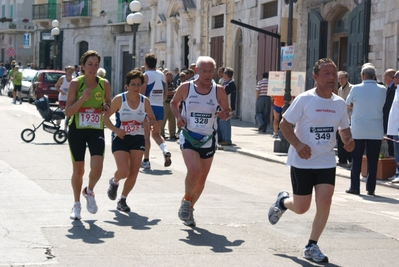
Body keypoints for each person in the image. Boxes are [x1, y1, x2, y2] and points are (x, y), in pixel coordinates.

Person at [268, 58, 354, 263]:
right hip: (302, 162)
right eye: (326, 73)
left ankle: (311, 245)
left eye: (333, 73)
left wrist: (348, 141)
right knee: (302, 207)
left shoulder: (339, 103)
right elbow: (284, 124)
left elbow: (344, 128)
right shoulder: (305, 100)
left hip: (325, 161)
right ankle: (283, 202)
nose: (331, 77)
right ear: (315, 77)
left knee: (324, 202)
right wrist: (298, 145)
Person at [170, 56, 232, 227]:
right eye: (204, 71)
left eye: (210, 71)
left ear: (214, 71)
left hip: (208, 138)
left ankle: (189, 206)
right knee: (194, 171)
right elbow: (174, 103)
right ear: (197, 71)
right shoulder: (186, 87)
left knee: (201, 180)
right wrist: (178, 117)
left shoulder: (218, 90)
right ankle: (186, 201)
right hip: (189, 135)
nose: (207, 74)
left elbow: (228, 111)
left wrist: (224, 114)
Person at [65, 50, 111, 220]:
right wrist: (82, 99)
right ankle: (76, 204)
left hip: (96, 129)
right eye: (90, 64)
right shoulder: (76, 84)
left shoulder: (104, 83)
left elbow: (108, 102)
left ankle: (89, 191)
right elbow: (68, 112)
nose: (93, 68)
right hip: (77, 129)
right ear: (83, 66)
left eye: (96, 65)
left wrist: (106, 107)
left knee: (97, 168)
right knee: (79, 170)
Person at [104, 70, 155, 212]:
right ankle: (114, 182)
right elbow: (106, 118)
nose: (136, 87)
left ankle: (123, 199)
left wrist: (148, 123)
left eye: (139, 84)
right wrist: (116, 130)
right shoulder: (120, 99)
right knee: (124, 171)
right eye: (133, 84)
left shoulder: (145, 101)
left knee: (133, 172)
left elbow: (152, 118)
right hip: (120, 138)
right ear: (127, 85)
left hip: (138, 138)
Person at [345, 63, 386, 195]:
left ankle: (355, 187)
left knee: (356, 160)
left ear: (362, 75)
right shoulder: (382, 89)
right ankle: (371, 188)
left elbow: (348, 103)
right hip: (375, 129)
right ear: (374, 76)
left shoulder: (356, 88)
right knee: (373, 160)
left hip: (359, 129)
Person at [140, 53, 171, 169]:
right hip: (160, 106)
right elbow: (166, 93)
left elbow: (142, 94)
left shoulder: (146, 75)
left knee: (146, 135)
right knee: (156, 134)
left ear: (146, 63)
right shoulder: (162, 74)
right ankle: (165, 151)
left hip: (149, 107)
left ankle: (146, 160)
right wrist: (160, 102)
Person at [337, 71, 353, 166]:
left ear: (347, 79)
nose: (340, 80)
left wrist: (345, 106)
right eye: (339, 78)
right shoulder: (339, 89)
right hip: (341, 117)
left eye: (342, 78)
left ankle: (350, 159)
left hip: (349, 117)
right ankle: (342, 159)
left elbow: (352, 104)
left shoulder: (352, 88)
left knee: (348, 138)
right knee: (340, 139)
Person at [218, 67, 236, 146]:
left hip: (227, 107)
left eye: (224, 73)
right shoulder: (225, 83)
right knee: (220, 123)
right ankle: (221, 138)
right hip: (221, 107)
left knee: (225, 123)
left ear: (227, 74)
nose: (222, 74)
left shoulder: (231, 84)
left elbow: (225, 95)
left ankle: (227, 139)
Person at [387, 70, 399, 183]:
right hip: (394, 127)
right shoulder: (396, 89)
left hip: (397, 128)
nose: (393, 79)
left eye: (395, 77)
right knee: (396, 151)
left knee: (398, 152)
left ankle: (398, 173)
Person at [383, 69, 396, 157]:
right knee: (390, 141)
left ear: (389, 77)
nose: (384, 79)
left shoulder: (395, 88)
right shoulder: (390, 87)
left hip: (393, 120)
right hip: (388, 120)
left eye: (385, 77)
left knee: (393, 143)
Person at [161, 71, 177, 140]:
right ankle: (161, 134)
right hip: (165, 103)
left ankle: (172, 134)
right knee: (163, 119)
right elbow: (165, 92)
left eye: (171, 76)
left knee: (172, 120)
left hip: (172, 104)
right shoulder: (164, 84)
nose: (171, 77)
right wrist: (174, 92)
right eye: (169, 76)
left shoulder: (172, 84)